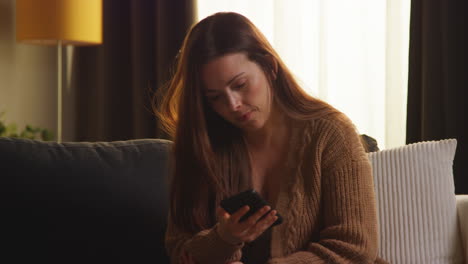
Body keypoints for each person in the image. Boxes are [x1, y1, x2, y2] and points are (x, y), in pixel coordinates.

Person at [154, 12, 388, 264]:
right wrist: (224, 238)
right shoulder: (201, 146)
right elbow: (180, 251)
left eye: (240, 85)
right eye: (215, 97)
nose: (233, 105)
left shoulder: (330, 134)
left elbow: (355, 247)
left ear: (270, 67)